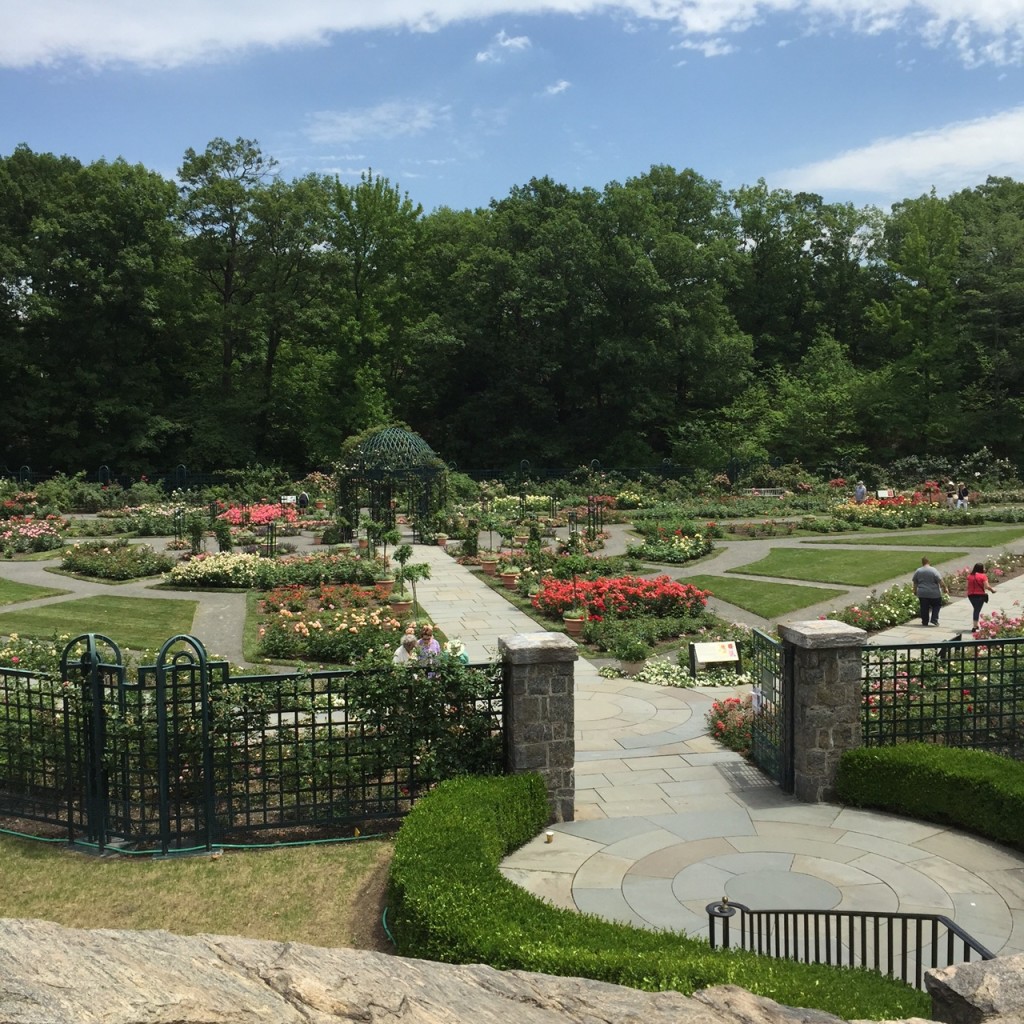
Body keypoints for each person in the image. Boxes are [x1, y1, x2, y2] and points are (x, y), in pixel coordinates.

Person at [912, 556, 948, 627]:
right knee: (936, 605)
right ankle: (934, 619)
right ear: (929, 562)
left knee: (924, 607)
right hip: (934, 593)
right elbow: (940, 580)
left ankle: (925, 621)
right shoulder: (933, 570)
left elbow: (915, 582)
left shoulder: (918, 571)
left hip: (922, 593)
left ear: (922, 563)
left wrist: (915, 590)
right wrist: (945, 588)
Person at [966, 562, 996, 632]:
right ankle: (974, 626)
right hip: (979, 595)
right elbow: (987, 586)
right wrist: (992, 590)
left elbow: (967, 586)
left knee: (976, 609)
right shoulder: (983, 576)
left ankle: (976, 625)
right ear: (981, 569)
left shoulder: (969, 576)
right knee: (976, 610)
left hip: (971, 595)